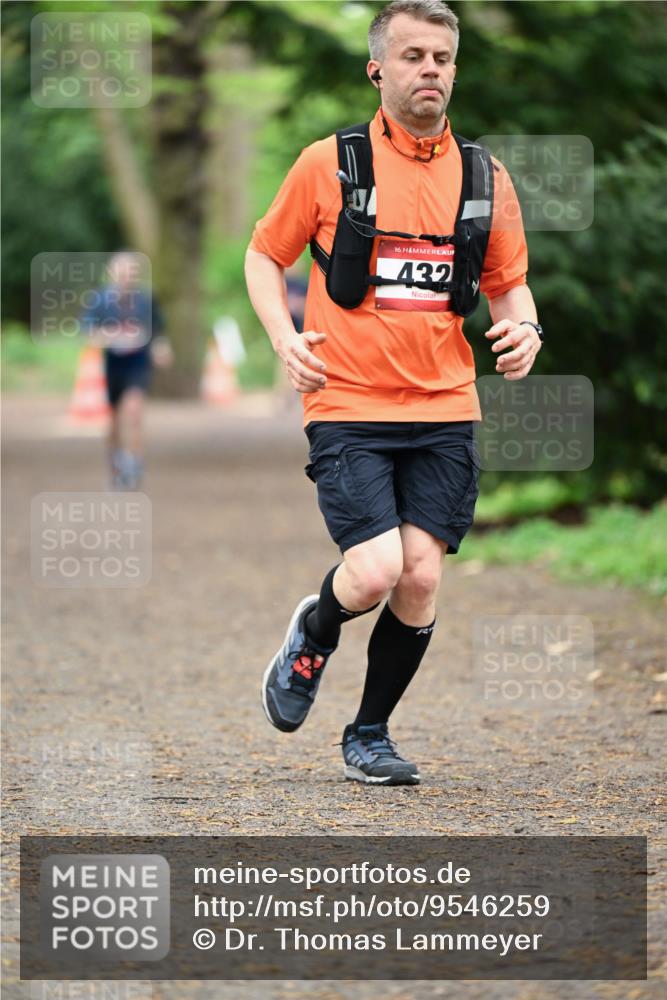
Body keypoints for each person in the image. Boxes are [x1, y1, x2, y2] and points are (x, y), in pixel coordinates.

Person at [245, 0, 542, 786]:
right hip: (347, 404)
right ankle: (316, 628)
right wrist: (284, 338)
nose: (430, 71)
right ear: (378, 69)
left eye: (441, 58)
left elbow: (509, 287)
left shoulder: (483, 175)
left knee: (420, 576)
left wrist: (524, 333)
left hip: (445, 407)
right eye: (412, 56)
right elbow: (261, 256)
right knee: (374, 571)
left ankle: (369, 734)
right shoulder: (327, 164)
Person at [81, 251, 172, 490]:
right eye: (121, 272)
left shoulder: (145, 299)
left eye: (131, 273)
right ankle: (115, 464)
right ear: (111, 274)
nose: (126, 278)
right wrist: (107, 336)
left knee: (134, 410)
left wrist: (161, 348)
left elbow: (158, 330)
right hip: (111, 365)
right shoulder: (99, 300)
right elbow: (88, 331)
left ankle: (134, 462)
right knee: (112, 422)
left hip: (138, 362)